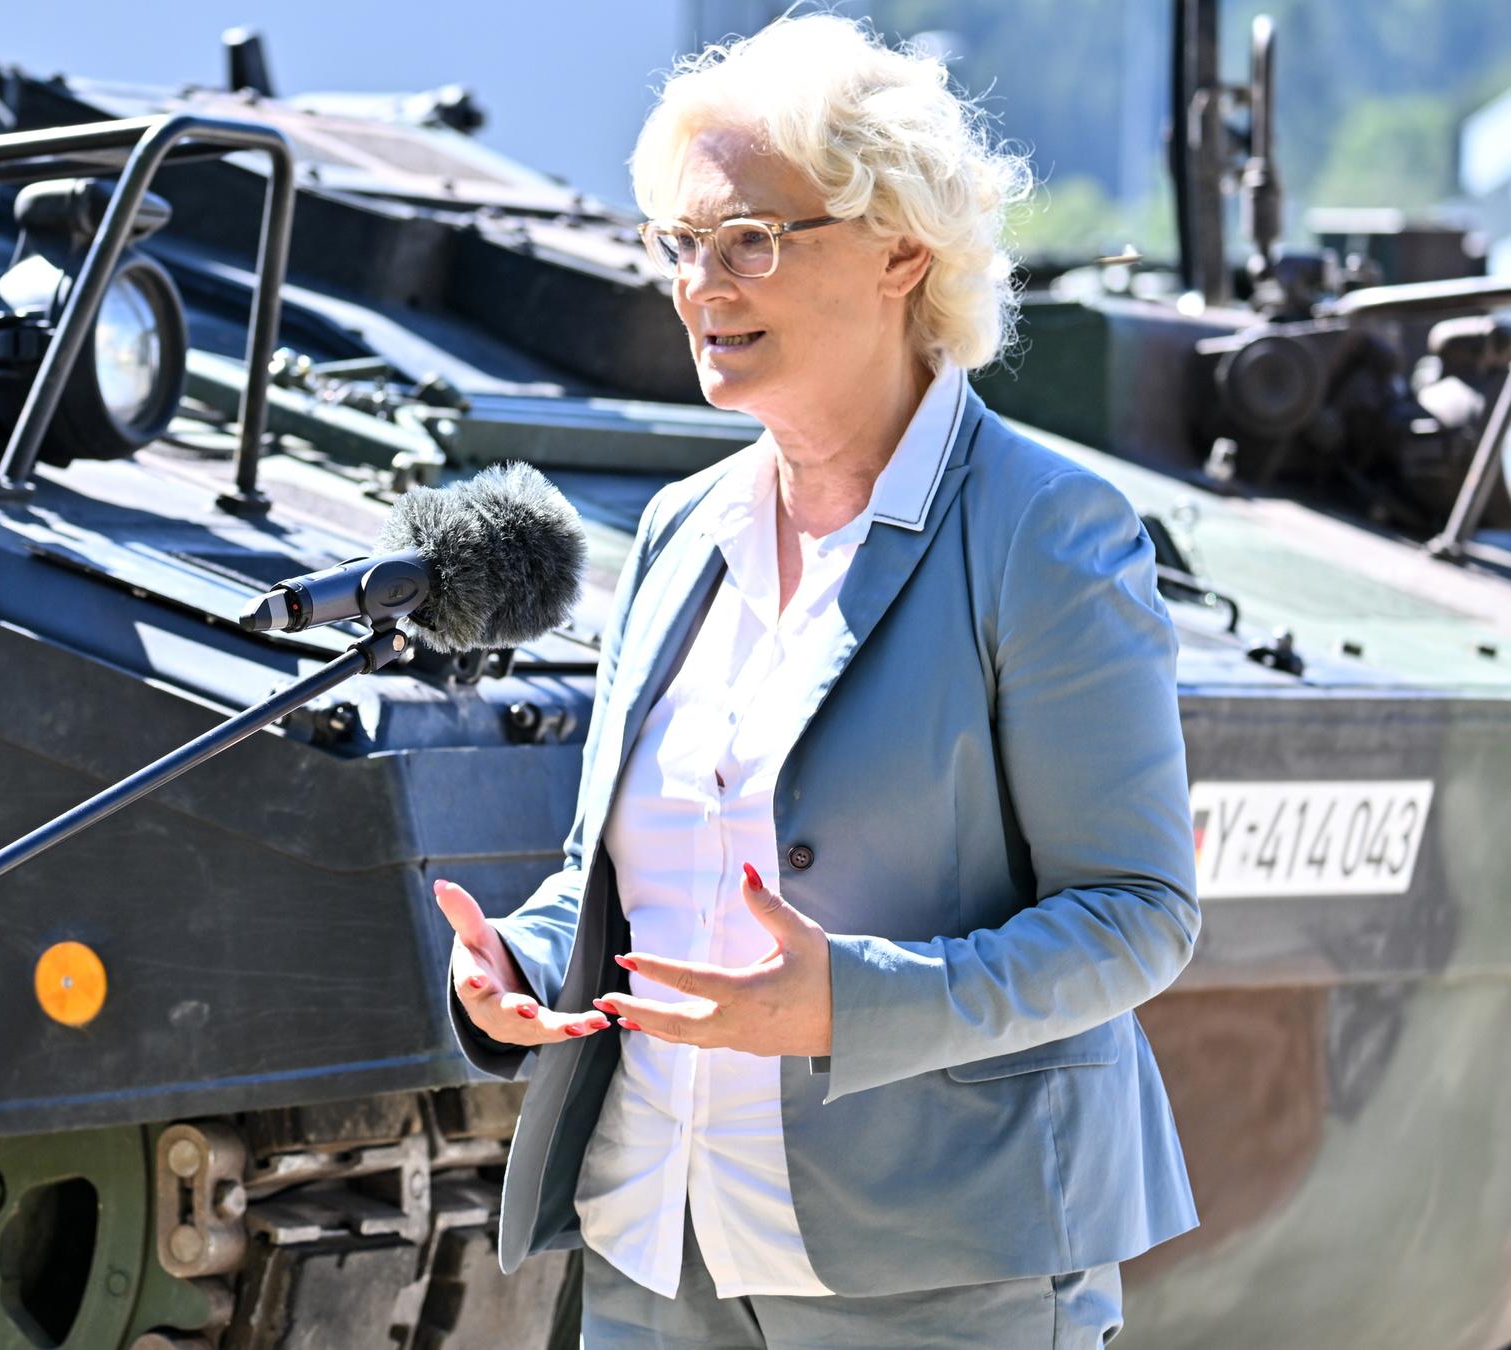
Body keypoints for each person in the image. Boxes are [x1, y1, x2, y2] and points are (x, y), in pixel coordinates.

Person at [432, 15, 1199, 1347]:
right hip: (654, 1245)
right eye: (679, 245)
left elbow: (1137, 914)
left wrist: (855, 1002)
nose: (699, 285)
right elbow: (635, 873)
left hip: (936, 1274)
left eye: (751, 241)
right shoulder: (681, 531)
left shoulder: (1043, 531)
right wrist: (528, 960)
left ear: (905, 248)